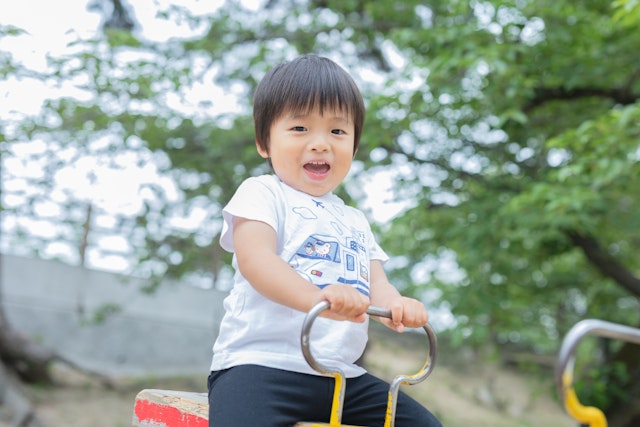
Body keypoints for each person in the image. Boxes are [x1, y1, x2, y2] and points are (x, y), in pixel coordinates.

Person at [208, 54, 442, 427]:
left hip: (340, 377)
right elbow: (257, 261)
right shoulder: (262, 193)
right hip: (261, 367)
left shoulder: (355, 220)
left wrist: (396, 306)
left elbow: (376, 284)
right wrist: (317, 299)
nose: (321, 144)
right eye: (300, 128)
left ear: (353, 145)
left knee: (424, 425)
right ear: (263, 142)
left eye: (337, 132)